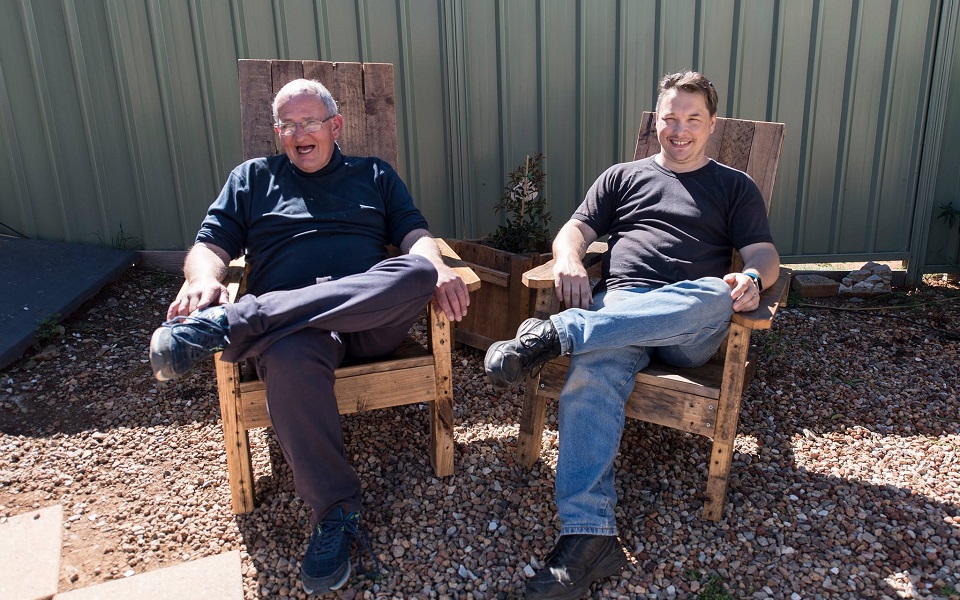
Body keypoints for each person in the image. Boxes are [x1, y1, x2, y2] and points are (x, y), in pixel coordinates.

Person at [148, 78, 469, 595]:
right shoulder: (252, 178)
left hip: (366, 319)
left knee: (416, 272)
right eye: (288, 125)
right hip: (298, 336)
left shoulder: (375, 175)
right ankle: (336, 511)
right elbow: (209, 244)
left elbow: (414, 233)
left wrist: (437, 265)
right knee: (291, 354)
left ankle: (235, 325)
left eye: (310, 122)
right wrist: (202, 278)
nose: (300, 134)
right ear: (278, 132)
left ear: (335, 125)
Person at [484, 71, 780, 599]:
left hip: (689, 321)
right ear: (656, 120)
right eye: (670, 117)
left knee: (715, 291)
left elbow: (762, 255)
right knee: (592, 371)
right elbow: (573, 231)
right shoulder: (622, 176)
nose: (680, 129)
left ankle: (558, 333)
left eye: (693, 119)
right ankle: (588, 538)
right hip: (619, 304)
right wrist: (570, 258)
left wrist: (753, 280)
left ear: (711, 125)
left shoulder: (734, 186)